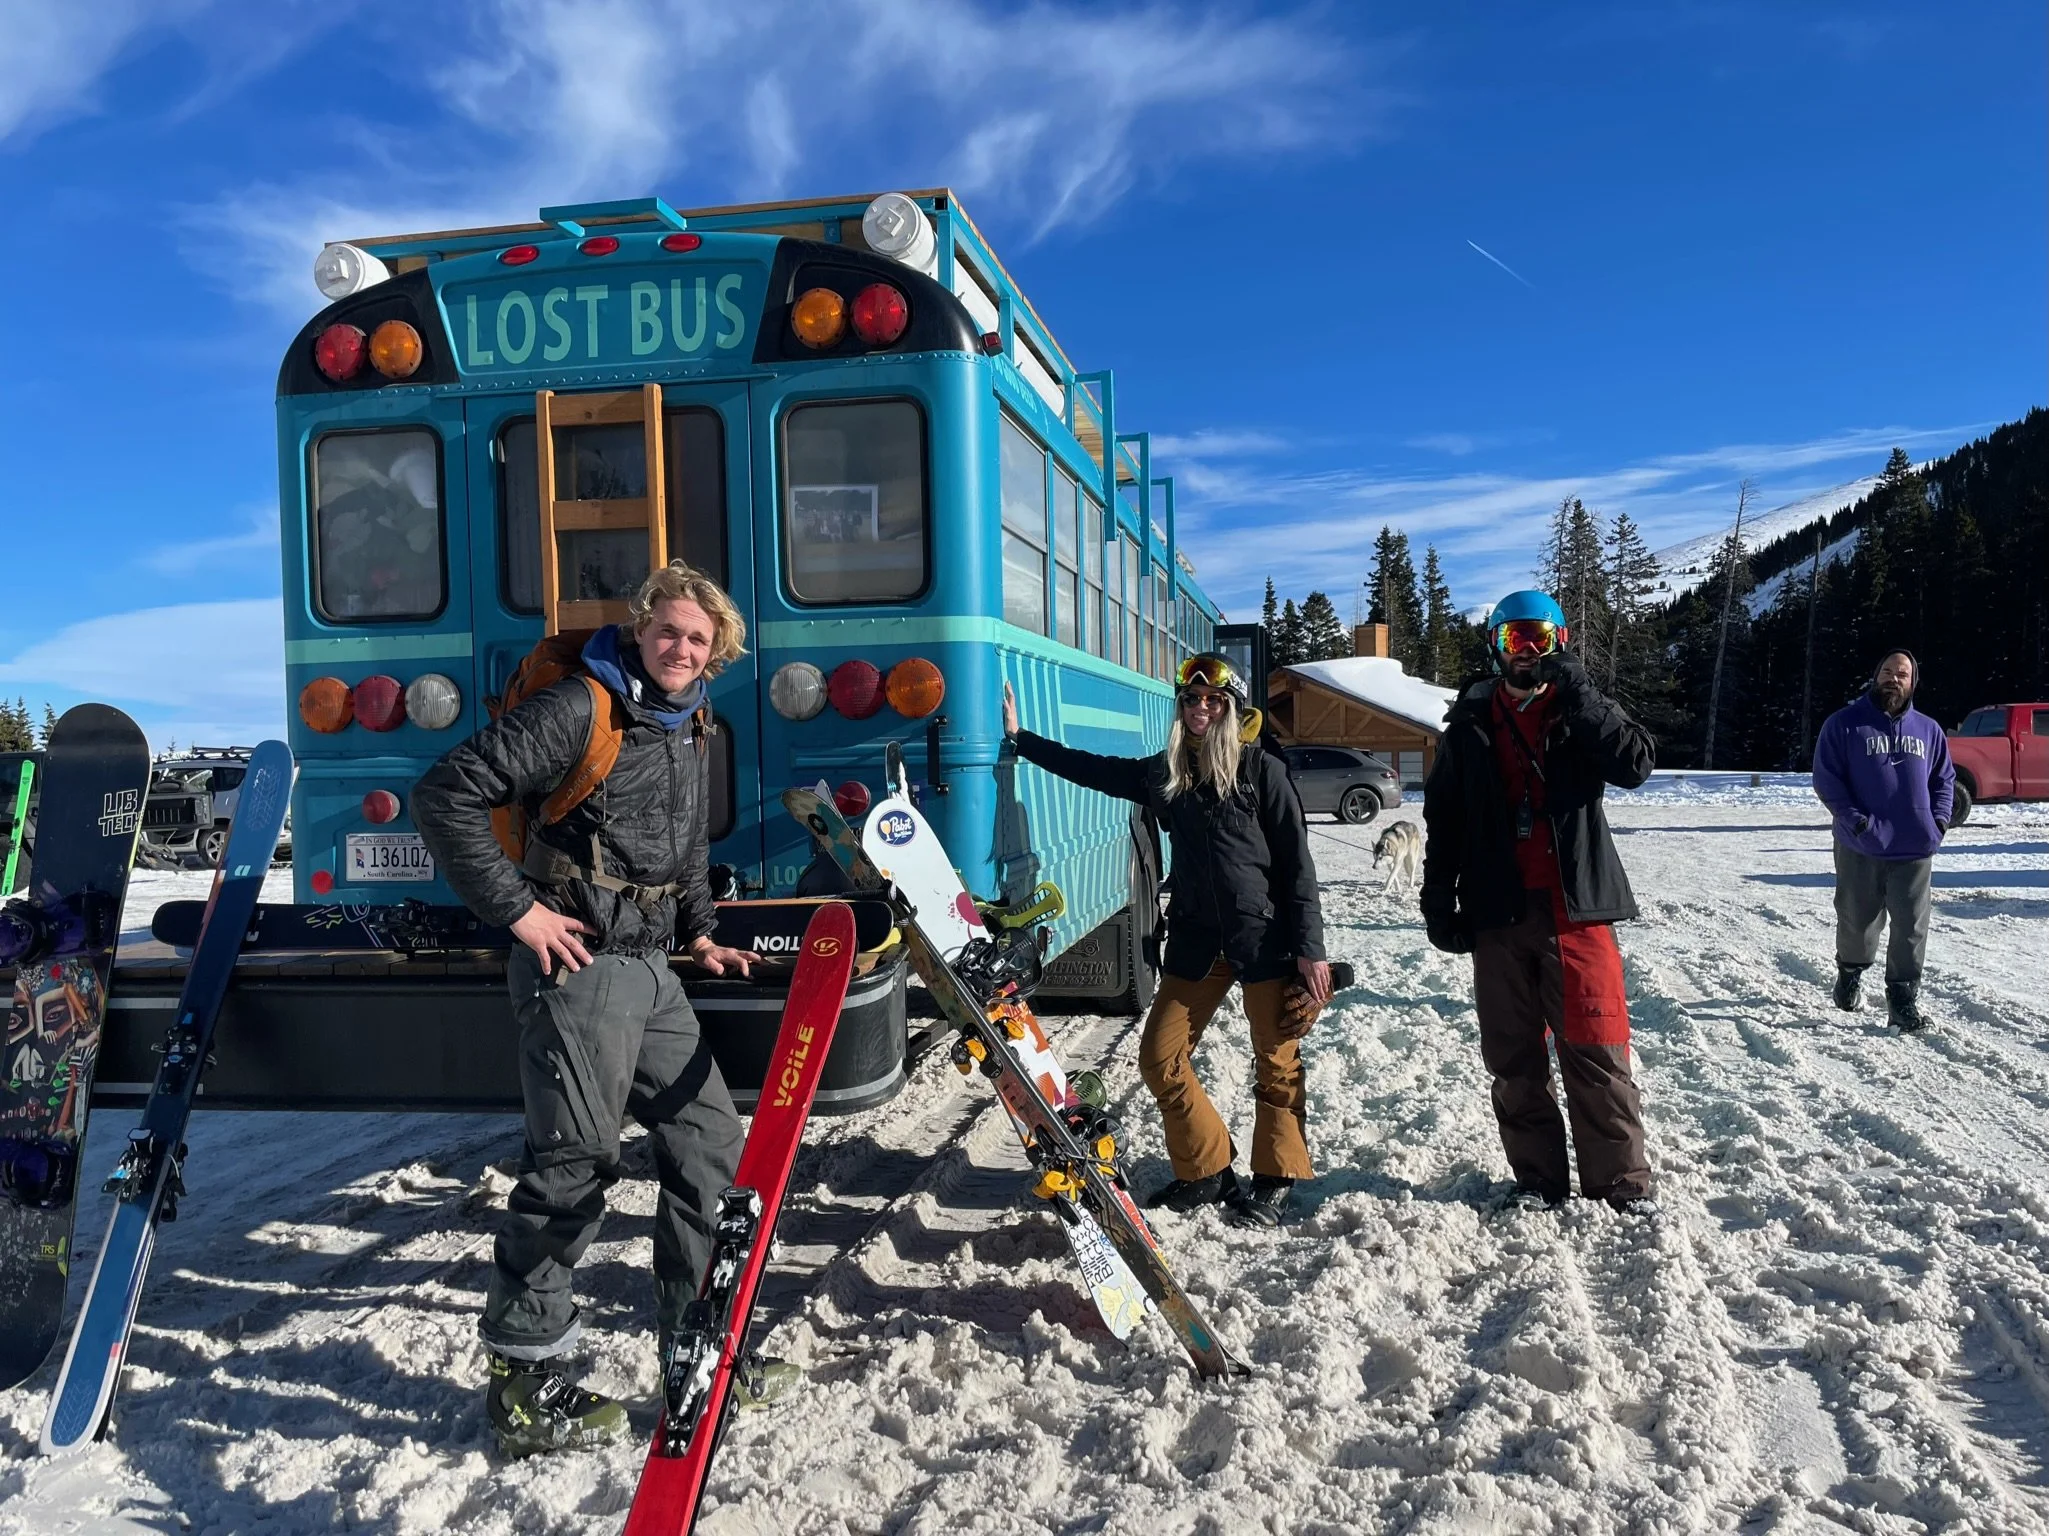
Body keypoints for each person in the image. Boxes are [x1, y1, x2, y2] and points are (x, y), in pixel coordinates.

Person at [412, 561, 772, 1457]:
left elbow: (684, 846)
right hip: (577, 967)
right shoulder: (581, 706)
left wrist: (702, 932)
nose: (681, 648)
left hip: (651, 968)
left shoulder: (689, 720)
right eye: (668, 630)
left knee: (711, 1145)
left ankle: (699, 1349)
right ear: (640, 628)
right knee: (573, 1164)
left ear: (715, 652)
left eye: (698, 638)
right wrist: (519, 910)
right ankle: (523, 1380)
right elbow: (446, 792)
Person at [1001, 653, 1330, 1229]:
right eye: (1191, 699)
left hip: (1263, 939)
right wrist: (1022, 739)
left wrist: (1311, 950)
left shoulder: (1262, 771)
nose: (1200, 707)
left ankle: (1275, 1179)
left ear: (1232, 708)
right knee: (1159, 1055)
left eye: (1213, 700)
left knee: (1276, 1062)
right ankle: (1208, 1169)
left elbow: (1298, 868)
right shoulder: (1166, 774)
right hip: (1198, 941)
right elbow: (1095, 770)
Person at [1420, 590, 1657, 1212]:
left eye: (1539, 638)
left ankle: (1621, 1184)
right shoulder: (1468, 724)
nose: (1525, 652)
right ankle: (1538, 1181)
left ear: (1561, 642)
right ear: (1494, 647)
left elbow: (1635, 764)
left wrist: (1582, 693)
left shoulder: (1580, 711)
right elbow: (1444, 818)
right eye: (1513, 639)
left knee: (1597, 1048)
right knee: (1513, 1055)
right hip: (1497, 912)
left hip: (1576, 910)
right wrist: (1437, 898)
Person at [1811, 649, 1954, 1032]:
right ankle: (1850, 972)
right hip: (1860, 844)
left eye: (1902, 674)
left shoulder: (1929, 730)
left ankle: (1903, 999)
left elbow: (1944, 780)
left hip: (1915, 845)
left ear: (1913, 682)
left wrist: (1938, 822)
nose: (1894, 678)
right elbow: (1827, 779)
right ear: (1876, 676)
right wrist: (1856, 823)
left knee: (1911, 926)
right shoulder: (1844, 725)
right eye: (1887, 671)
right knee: (1858, 920)